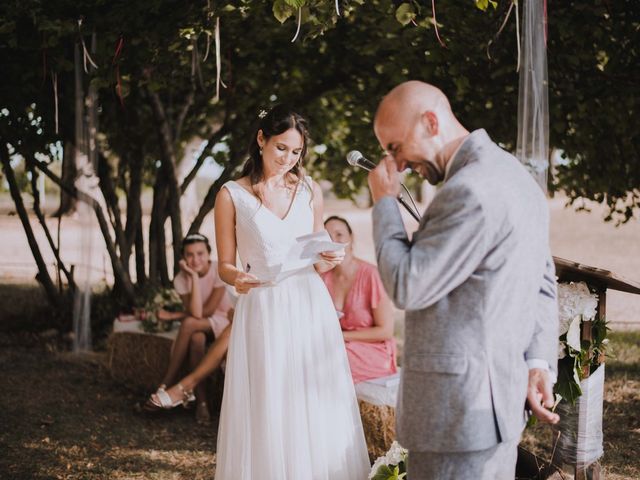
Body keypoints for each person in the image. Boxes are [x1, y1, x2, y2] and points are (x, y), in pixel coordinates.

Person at [367, 81, 559, 480]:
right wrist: (537, 362)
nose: (397, 164)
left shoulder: (468, 190)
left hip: (456, 417)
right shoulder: (515, 176)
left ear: (431, 122)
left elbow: (407, 284)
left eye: (396, 147)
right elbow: (542, 279)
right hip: (496, 406)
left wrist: (385, 202)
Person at [212, 105, 369, 479]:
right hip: (263, 304)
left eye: (296, 151)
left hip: (308, 303)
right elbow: (224, 264)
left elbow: (315, 250)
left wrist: (327, 258)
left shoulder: (309, 189)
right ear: (262, 139)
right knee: (272, 397)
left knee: (313, 396)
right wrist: (237, 278)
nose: (288, 158)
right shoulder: (231, 195)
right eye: (281, 148)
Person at [144, 233, 232, 424]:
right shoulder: (180, 279)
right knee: (196, 338)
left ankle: (166, 383)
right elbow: (195, 311)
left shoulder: (219, 270)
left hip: (225, 320)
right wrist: (192, 277)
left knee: (190, 324)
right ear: (183, 257)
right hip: (202, 324)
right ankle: (202, 403)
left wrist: (173, 315)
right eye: (190, 255)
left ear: (209, 254)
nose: (195, 259)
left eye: (200, 254)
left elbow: (205, 312)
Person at [321, 215, 397, 383]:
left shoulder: (371, 275)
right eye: (327, 236)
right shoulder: (321, 278)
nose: (333, 240)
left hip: (372, 349)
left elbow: (385, 331)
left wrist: (342, 337)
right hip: (337, 345)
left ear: (351, 238)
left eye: (339, 235)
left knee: (329, 360)